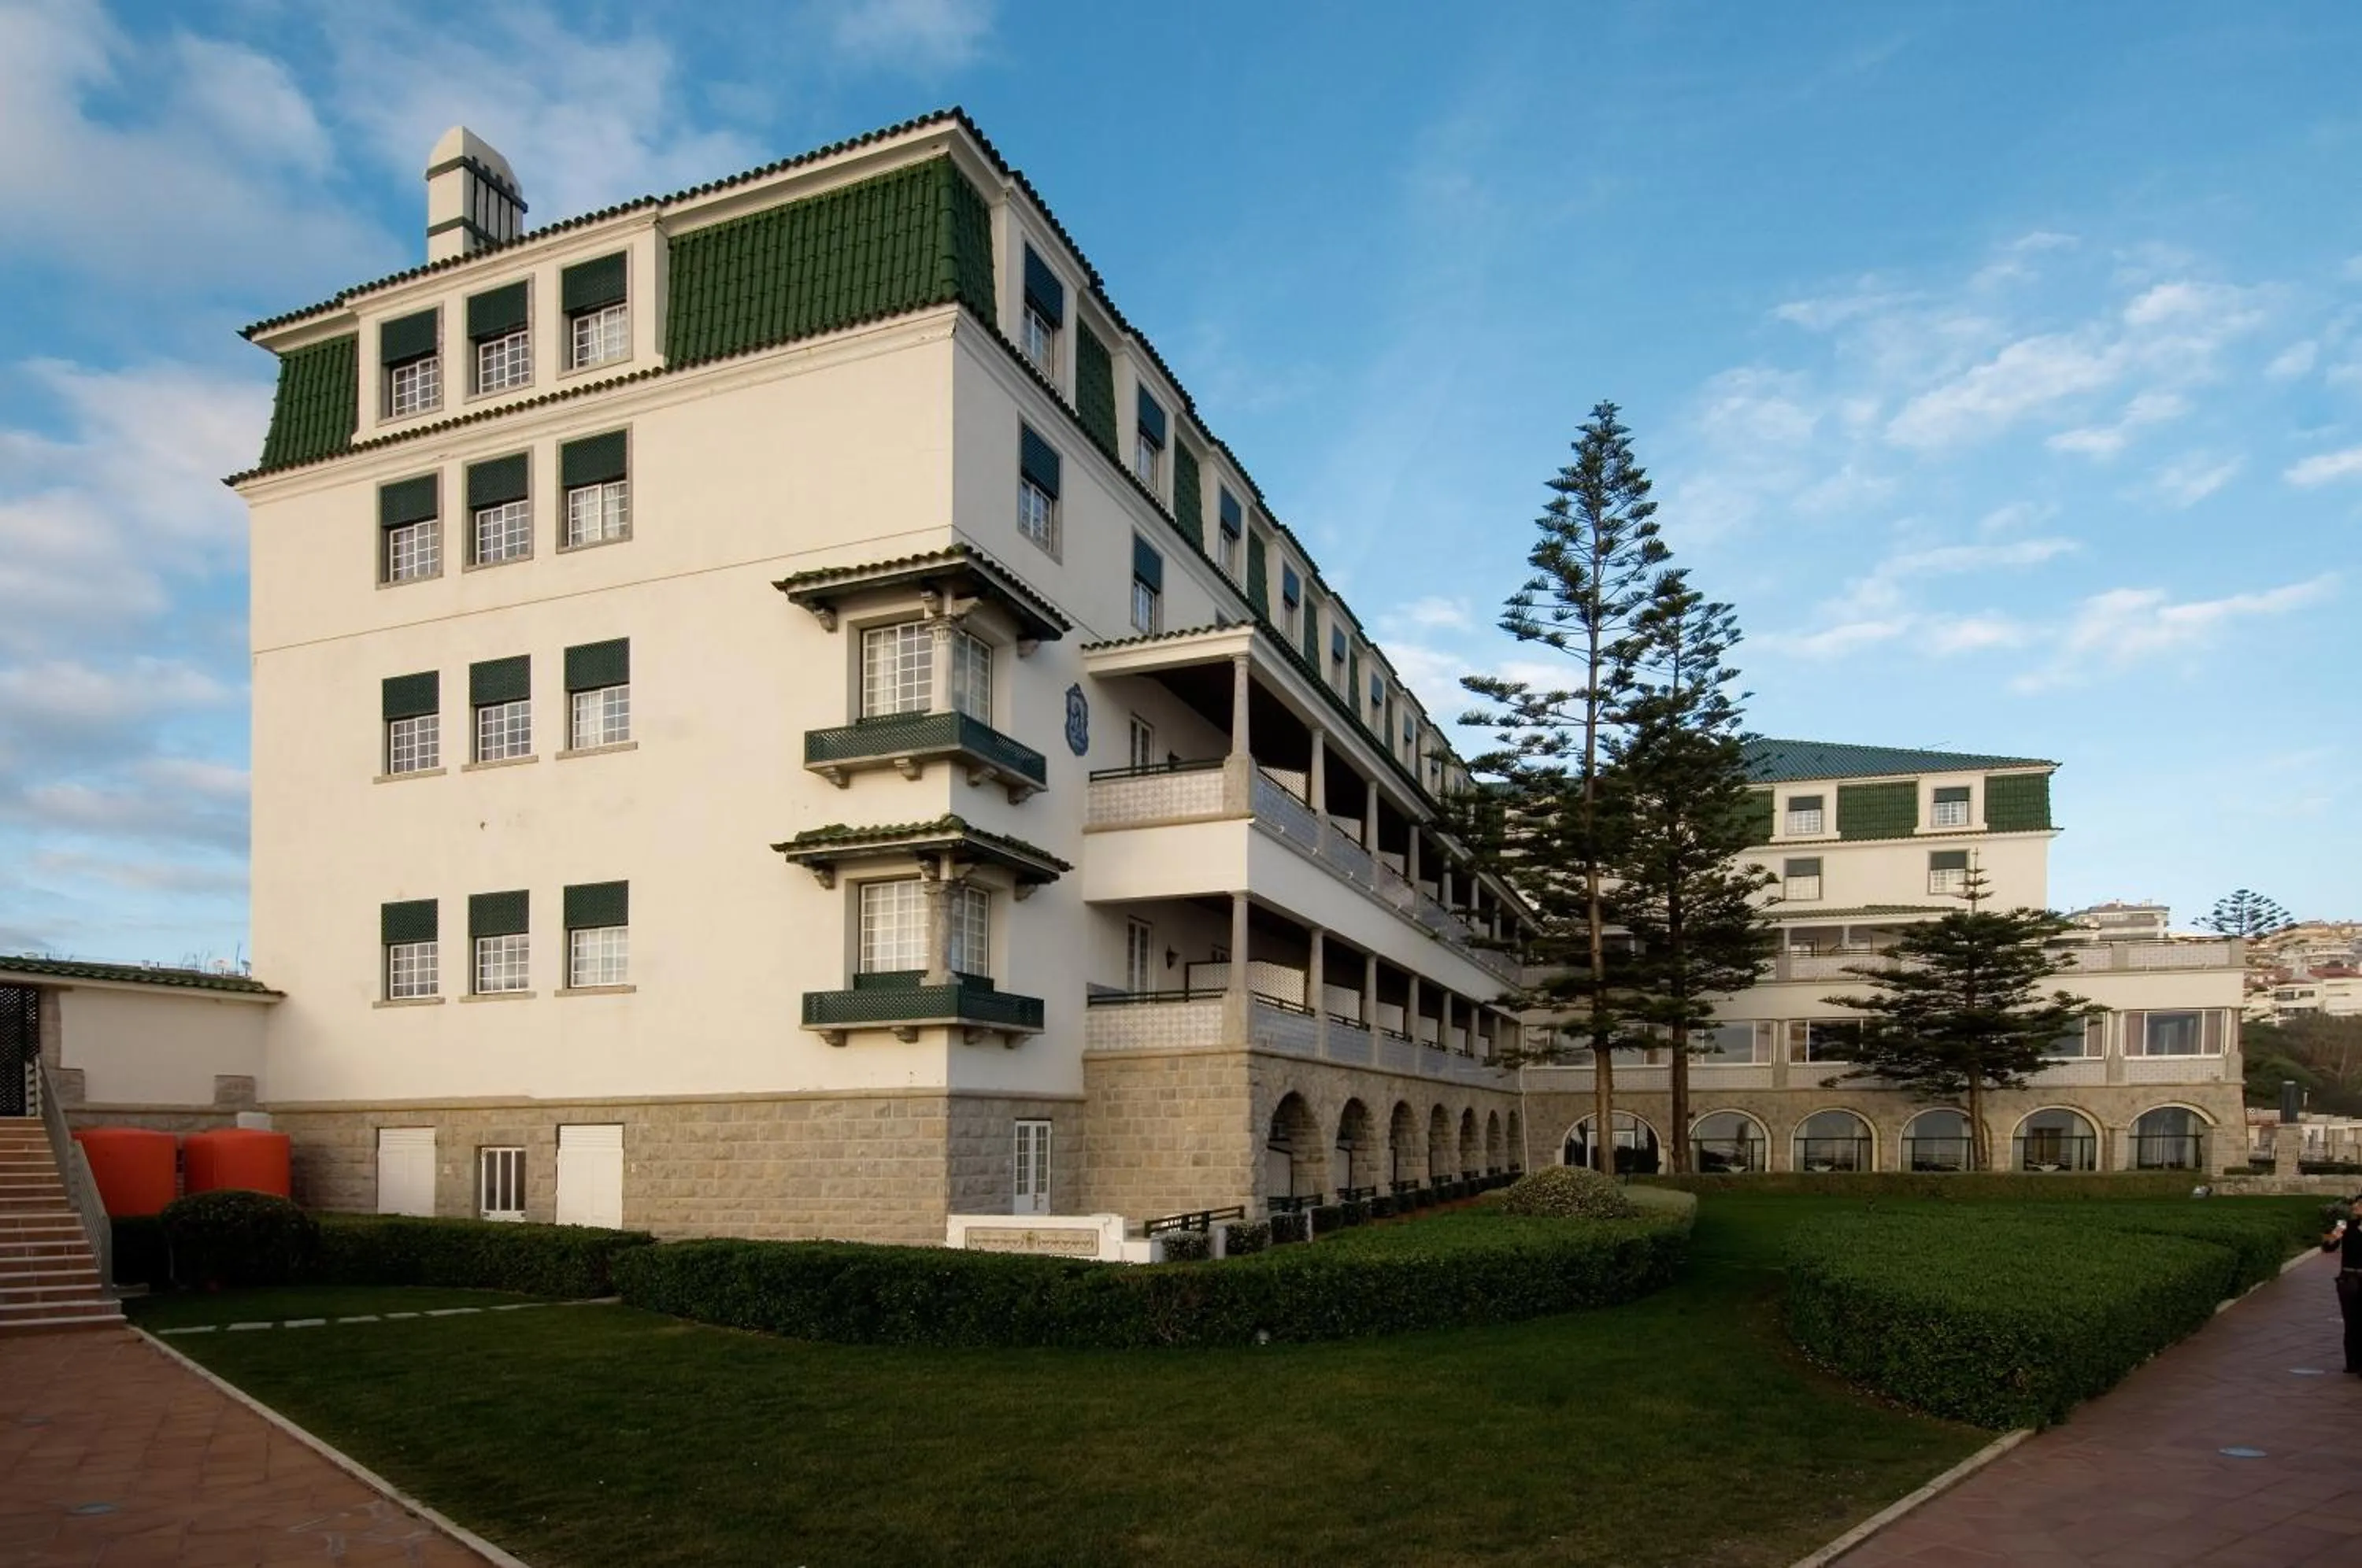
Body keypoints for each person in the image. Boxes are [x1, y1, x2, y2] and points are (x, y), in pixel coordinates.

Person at [2323, 1196, 2362, 1374]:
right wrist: (2331, 1238)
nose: (2355, 1206)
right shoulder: (2344, 1225)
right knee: (2351, 1322)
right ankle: (2352, 1363)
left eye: (2360, 1204)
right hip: (2349, 1279)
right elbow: (2328, 1246)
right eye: (2355, 1203)